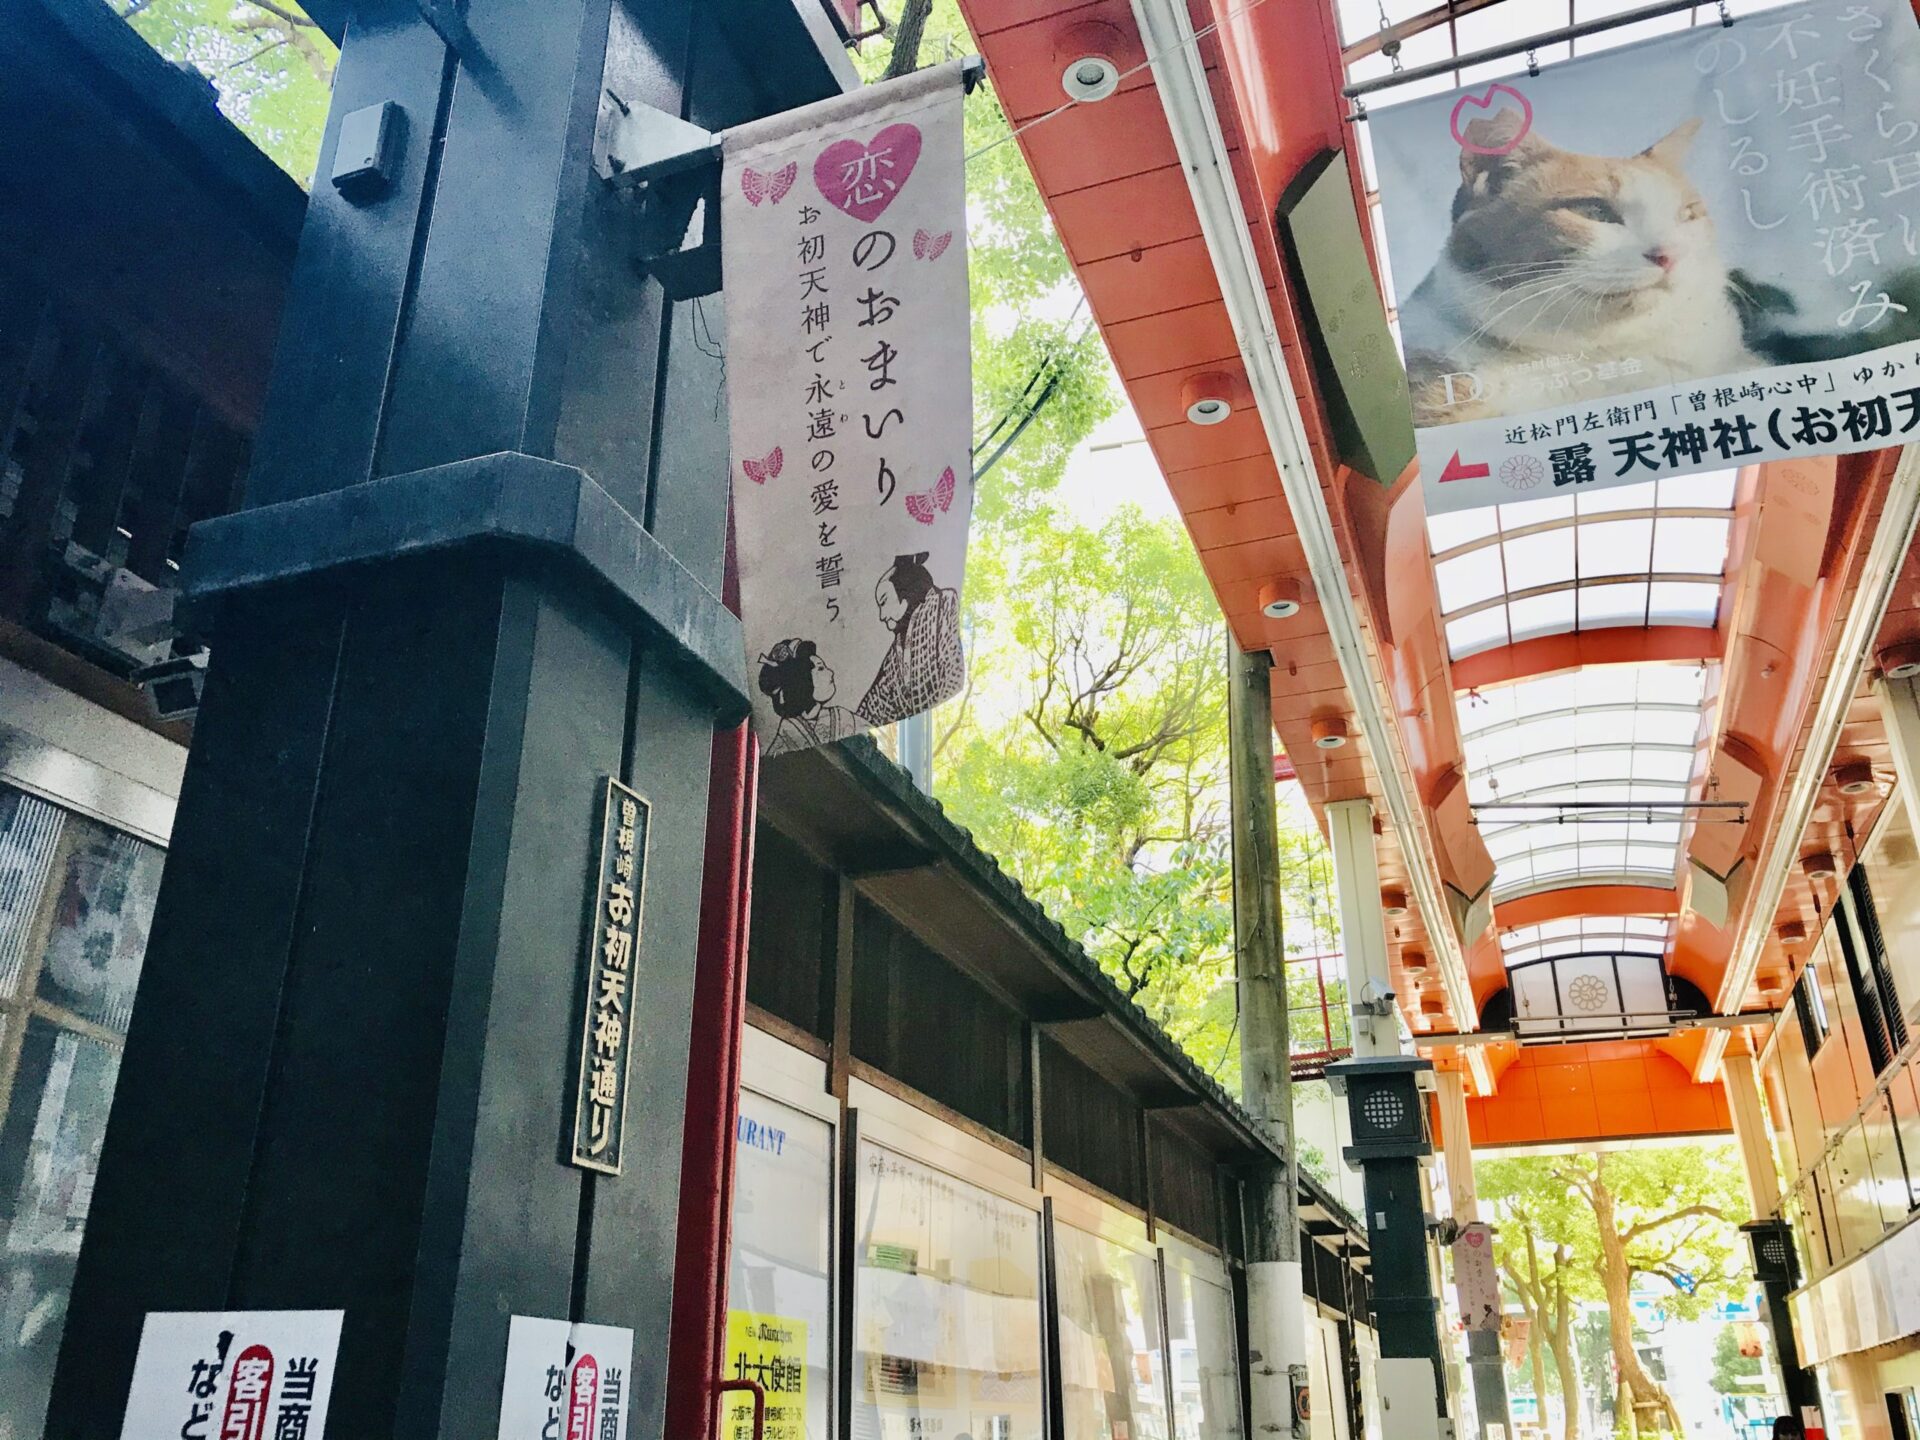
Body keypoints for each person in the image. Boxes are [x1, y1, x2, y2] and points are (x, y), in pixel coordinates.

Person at [855, 552, 964, 725]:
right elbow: (873, 706)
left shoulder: (944, 605)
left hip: (946, 719)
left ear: (904, 590)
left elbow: (953, 674)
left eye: (884, 601)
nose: (882, 616)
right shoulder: (895, 655)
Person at [757, 638, 859, 757]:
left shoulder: (842, 717)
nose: (831, 672)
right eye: (821, 668)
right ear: (802, 680)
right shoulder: (787, 732)